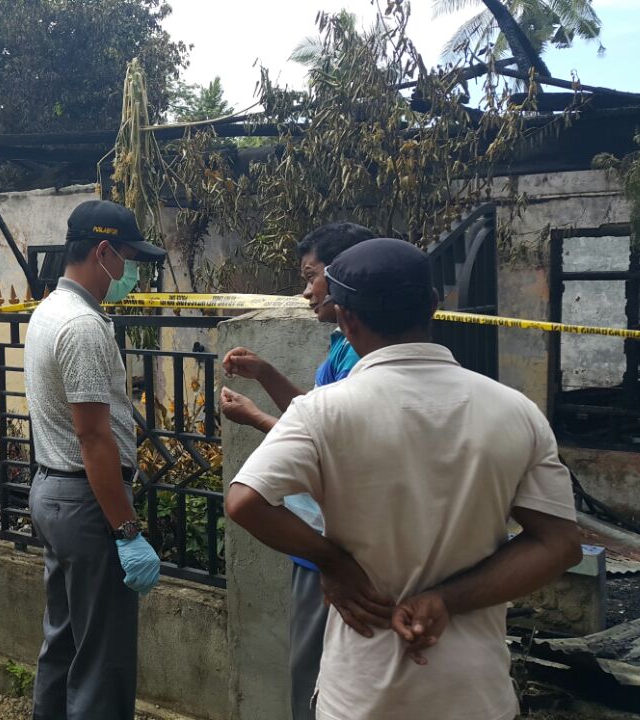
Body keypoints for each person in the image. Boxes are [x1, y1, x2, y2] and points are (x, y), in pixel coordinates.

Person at [224, 238, 582, 720]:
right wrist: (447, 600)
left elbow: (244, 502)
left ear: (345, 319)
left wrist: (333, 564)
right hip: (476, 695)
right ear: (433, 306)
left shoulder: (321, 412)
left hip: (361, 694)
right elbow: (560, 544)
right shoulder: (515, 410)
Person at [217, 222, 372, 720]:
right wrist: (265, 375)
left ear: (344, 277)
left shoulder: (361, 358)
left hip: (326, 541)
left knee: (316, 680)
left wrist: (256, 417)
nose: (305, 292)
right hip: (320, 532)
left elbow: (328, 442)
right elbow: (315, 415)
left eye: (312, 277)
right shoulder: (343, 344)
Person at [23, 199, 168, 720]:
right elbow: (93, 437)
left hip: (55, 490)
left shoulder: (48, 310)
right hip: (87, 502)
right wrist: (126, 531)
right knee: (102, 657)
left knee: (64, 640)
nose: (131, 272)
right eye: (128, 257)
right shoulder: (82, 326)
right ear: (103, 251)